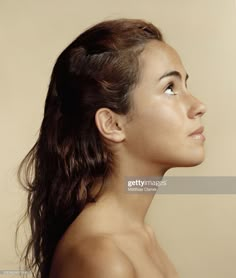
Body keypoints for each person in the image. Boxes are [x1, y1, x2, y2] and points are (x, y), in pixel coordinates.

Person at [15, 18, 207, 278]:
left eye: (185, 85)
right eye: (170, 88)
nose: (198, 106)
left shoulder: (138, 236)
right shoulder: (103, 258)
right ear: (113, 124)